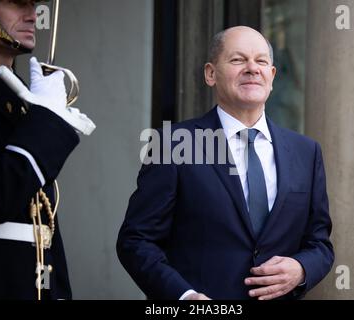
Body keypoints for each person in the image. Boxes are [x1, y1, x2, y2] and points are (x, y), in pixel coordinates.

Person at [117, 26, 334, 300]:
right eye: (237, 59)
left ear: (272, 75)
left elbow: (320, 244)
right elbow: (136, 241)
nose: (252, 68)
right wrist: (185, 296)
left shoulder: (306, 152)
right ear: (210, 73)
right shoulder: (172, 144)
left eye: (261, 61)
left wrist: (301, 268)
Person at [0, 0, 94, 299]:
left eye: (34, 4)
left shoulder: (22, 96)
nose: (32, 15)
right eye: (16, 4)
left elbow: (43, 228)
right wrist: (47, 120)